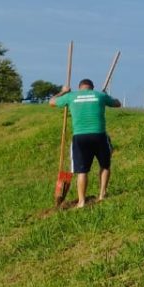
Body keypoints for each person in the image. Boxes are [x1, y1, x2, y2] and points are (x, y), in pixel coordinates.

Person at [50, 78, 121, 207]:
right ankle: (102, 195)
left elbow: (51, 102)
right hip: (99, 135)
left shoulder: (71, 96)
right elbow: (117, 103)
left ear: (80, 87)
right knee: (105, 166)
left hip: (80, 137)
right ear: (92, 88)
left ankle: (81, 201)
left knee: (82, 171)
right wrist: (106, 96)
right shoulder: (99, 95)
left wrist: (63, 92)